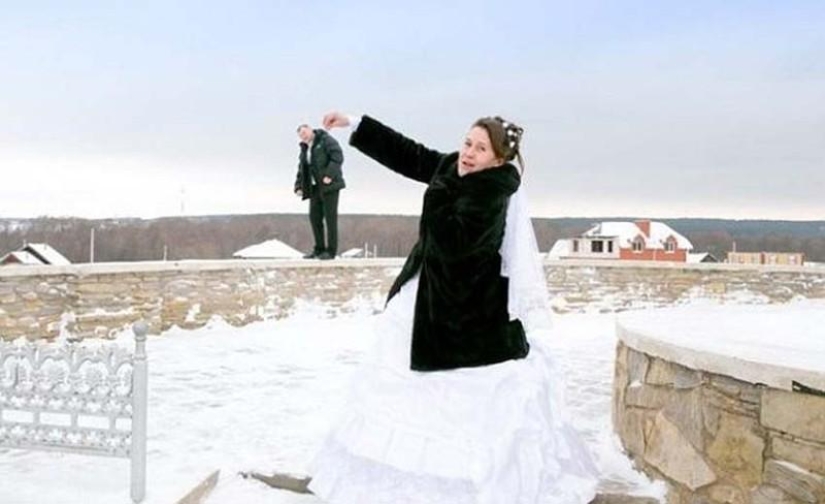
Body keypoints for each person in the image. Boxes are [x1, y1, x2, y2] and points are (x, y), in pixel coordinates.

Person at [288, 113, 598, 503]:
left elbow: (452, 242)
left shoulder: (492, 194)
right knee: (399, 389)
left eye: (480, 148)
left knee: (456, 406)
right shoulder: (454, 167)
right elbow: (409, 154)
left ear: (498, 160)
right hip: (427, 296)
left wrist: (435, 193)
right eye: (467, 142)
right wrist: (355, 124)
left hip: (465, 316)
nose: (468, 153)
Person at [294, 124, 346, 260]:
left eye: (305, 132)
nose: (303, 136)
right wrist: (298, 186)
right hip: (315, 188)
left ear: (311, 130)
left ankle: (331, 251)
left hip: (330, 186)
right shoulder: (305, 148)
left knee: (330, 219)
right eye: (301, 135)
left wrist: (330, 174)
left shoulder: (325, 140)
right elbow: (302, 169)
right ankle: (319, 249)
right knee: (314, 218)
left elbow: (338, 156)